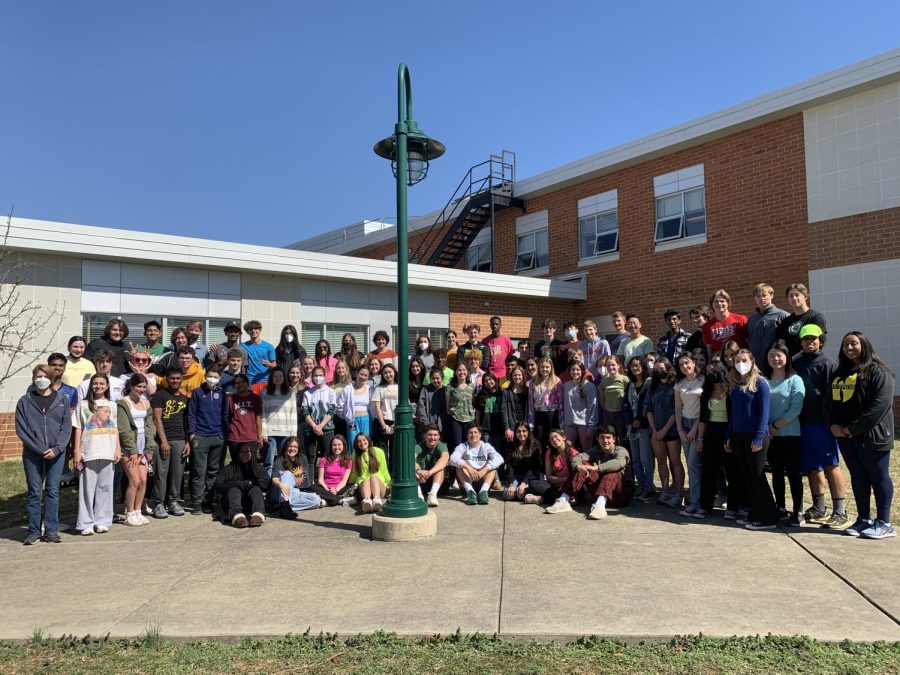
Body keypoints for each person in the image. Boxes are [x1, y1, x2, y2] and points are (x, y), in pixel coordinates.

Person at [825, 332, 895, 539]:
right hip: (845, 436)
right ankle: (863, 519)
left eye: (854, 343)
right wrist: (833, 426)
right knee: (858, 476)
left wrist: (851, 428)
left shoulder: (878, 371)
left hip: (872, 435)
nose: (849, 347)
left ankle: (884, 523)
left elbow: (879, 406)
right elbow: (827, 403)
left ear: (864, 345)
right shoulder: (839, 373)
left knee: (878, 476)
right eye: (845, 344)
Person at [794, 324, 849, 528]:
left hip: (822, 425)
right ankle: (819, 507)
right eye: (806, 339)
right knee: (811, 466)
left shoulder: (828, 364)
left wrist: (832, 422)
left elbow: (833, 398)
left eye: (813, 339)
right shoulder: (798, 364)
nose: (810, 342)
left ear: (821, 340)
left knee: (830, 465)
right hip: (803, 423)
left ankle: (840, 511)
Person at [16, 364, 73, 545]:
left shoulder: (62, 399)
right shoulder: (25, 401)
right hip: (33, 454)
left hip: (56, 453)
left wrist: (57, 449)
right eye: (38, 376)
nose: (41, 379)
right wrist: (40, 449)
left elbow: (66, 427)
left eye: (45, 376)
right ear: (33, 379)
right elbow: (22, 430)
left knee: (52, 491)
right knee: (34, 492)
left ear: (51, 378)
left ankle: (51, 530)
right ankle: (32, 532)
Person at [726, 349, 779, 531]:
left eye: (744, 360)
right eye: (737, 360)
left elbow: (764, 413)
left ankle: (768, 517)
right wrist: (728, 436)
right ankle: (755, 513)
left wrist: (758, 437)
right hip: (738, 436)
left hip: (756, 436)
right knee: (747, 476)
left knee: (757, 475)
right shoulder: (735, 383)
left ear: (752, 361)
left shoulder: (760, 383)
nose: (741, 363)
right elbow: (733, 413)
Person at [544, 425, 634, 519]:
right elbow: (578, 457)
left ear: (614, 439)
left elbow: (618, 463)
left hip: (622, 495)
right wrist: (578, 466)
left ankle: (600, 505)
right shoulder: (596, 450)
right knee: (582, 464)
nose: (605, 441)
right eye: (602, 437)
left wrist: (597, 468)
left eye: (608, 437)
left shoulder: (621, 450)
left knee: (613, 471)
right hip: (600, 493)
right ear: (597, 439)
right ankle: (564, 500)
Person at [765, 340, 806, 526]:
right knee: (776, 473)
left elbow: (796, 408)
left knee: (793, 474)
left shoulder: (794, 380)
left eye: (779, 355)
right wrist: (767, 428)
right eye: (771, 355)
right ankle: (780, 507)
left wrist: (775, 425)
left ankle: (798, 510)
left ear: (787, 357)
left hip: (790, 435)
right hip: (771, 437)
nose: (775, 359)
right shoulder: (763, 381)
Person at [697, 363, 743, 518]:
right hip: (710, 433)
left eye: (713, 371)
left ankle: (733, 507)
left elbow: (735, 416)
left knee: (731, 471)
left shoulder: (731, 392)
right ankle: (705, 505)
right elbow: (703, 417)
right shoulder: (706, 393)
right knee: (709, 471)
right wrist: (700, 438)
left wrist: (730, 437)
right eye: (708, 372)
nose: (711, 374)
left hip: (727, 432)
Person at [72, 392, 120, 536]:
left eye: (102, 384)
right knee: (87, 488)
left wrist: (117, 448)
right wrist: (77, 450)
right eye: (105, 412)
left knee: (105, 487)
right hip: (89, 452)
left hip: (108, 452)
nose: (107, 413)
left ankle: (102, 521)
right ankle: (86, 523)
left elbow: (116, 428)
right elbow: (78, 428)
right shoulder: (83, 405)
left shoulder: (112, 404)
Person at [187, 363, 229, 514]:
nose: (212, 379)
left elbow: (225, 415)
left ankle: (209, 500)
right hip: (201, 436)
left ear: (220, 378)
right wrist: (192, 433)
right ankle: (197, 502)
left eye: (215, 377)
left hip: (218, 436)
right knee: (199, 471)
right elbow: (191, 414)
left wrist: (224, 433)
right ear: (205, 376)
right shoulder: (197, 392)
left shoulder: (222, 394)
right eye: (210, 376)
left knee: (213, 471)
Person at [150, 367, 190, 518]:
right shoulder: (159, 396)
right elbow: (157, 419)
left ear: (182, 379)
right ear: (166, 379)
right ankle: (158, 503)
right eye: (172, 378)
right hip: (163, 440)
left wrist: (187, 442)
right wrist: (163, 442)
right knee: (161, 473)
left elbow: (187, 422)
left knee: (177, 474)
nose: (175, 381)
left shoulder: (186, 399)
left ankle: (173, 501)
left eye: (178, 378)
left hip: (180, 440)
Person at [117, 374, 155, 527]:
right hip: (129, 447)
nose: (141, 390)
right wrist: (132, 450)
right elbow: (123, 429)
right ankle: (130, 512)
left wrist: (149, 447)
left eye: (144, 387)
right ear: (131, 386)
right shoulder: (122, 403)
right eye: (138, 386)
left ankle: (138, 510)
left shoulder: (146, 403)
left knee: (144, 480)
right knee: (134, 480)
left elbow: (150, 426)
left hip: (143, 444)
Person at [645, 358, 683, 509]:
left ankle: (679, 493)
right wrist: (654, 429)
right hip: (656, 431)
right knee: (661, 462)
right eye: (656, 369)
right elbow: (648, 409)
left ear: (668, 368)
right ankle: (665, 490)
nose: (659, 371)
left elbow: (676, 410)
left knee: (675, 462)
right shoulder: (652, 386)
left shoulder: (675, 385)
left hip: (671, 430)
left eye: (662, 368)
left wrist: (665, 430)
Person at [675, 353, 705, 518]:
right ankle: (696, 501)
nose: (684, 367)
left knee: (694, 464)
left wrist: (695, 429)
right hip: (684, 425)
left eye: (687, 363)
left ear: (693, 363)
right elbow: (678, 408)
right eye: (681, 365)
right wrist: (680, 429)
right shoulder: (679, 384)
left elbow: (704, 407)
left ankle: (696, 503)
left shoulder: (703, 380)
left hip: (698, 424)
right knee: (691, 464)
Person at [215, 442, 269, 527]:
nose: (245, 454)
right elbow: (218, 485)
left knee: (255, 489)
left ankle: (258, 515)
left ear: (251, 453)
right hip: (231, 503)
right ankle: (237, 517)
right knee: (234, 489)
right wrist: (239, 484)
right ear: (237, 454)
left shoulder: (257, 467)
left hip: (250, 504)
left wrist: (251, 483)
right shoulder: (229, 468)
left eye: (247, 452)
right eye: (242, 452)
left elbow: (266, 483)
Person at [449, 422, 504, 505]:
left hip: (483, 481)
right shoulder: (462, 446)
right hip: (468, 481)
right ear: (467, 435)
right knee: (459, 466)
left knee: (492, 465)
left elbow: (500, 459)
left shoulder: (486, 446)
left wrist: (485, 469)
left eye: (475, 432)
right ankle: (471, 493)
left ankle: (483, 492)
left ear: (480, 434)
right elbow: (452, 459)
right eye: (470, 433)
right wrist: (467, 466)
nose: (473, 435)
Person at [523, 429, 579, 506]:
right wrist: (565, 480)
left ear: (563, 437)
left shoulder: (573, 453)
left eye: (556, 436)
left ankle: (540, 499)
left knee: (578, 493)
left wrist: (565, 482)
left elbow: (576, 479)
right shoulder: (550, 452)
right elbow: (549, 477)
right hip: (554, 485)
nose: (554, 440)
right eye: (551, 439)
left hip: (569, 486)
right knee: (533, 483)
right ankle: (563, 499)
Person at [624, 356, 654, 501]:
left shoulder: (649, 383)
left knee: (645, 459)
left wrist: (638, 421)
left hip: (644, 425)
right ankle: (640, 486)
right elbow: (626, 404)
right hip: (632, 427)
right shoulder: (629, 384)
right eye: (632, 366)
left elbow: (647, 404)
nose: (635, 368)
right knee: (635, 460)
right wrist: (631, 422)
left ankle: (649, 488)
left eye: (637, 365)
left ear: (643, 366)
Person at [267, 436, 320, 515]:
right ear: (286, 447)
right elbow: (274, 479)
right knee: (288, 474)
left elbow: (304, 484)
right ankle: (284, 504)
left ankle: (281, 506)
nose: (292, 449)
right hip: (278, 491)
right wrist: (280, 485)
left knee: (316, 500)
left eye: (295, 447)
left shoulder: (303, 459)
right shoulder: (280, 460)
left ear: (298, 449)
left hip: (294, 492)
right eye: (290, 446)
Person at [260, 368, 298, 476]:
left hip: (285, 432)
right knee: (269, 461)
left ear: (284, 378)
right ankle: (267, 484)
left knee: (285, 460)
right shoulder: (265, 392)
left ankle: (284, 482)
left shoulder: (290, 393)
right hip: (270, 432)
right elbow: (262, 413)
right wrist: (263, 432)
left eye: (280, 376)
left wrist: (293, 434)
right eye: (275, 376)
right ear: (271, 378)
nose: (278, 378)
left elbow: (293, 414)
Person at [777, 283, 827, 358]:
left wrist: (794, 358)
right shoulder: (786, 321)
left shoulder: (816, 317)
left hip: (810, 362)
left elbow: (820, 342)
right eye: (791, 296)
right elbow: (782, 344)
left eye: (797, 295)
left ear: (806, 297)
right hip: (791, 366)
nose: (794, 298)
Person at [302, 366, 337, 470]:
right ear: (312, 377)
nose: (318, 377)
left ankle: (328, 480)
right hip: (311, 429)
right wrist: (315, 427)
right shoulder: (307, 393)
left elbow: (332, 410)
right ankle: (310, 482)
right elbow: (305, 412)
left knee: (328, 455)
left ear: (325, 376)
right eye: (315, 375)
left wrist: (321, 426)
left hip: (327, 428)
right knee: (311, 456)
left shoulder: (331, 392)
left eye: (320, 375)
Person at [748, 283, 789, 366]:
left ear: (771, 295)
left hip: (775, 363)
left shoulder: (783, 316)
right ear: (755, 298)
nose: (761, 298)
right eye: (758, 296)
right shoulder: (752, 319)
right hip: (756, 364)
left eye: (764, 295)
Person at [562, 361, 599, 451]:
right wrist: (563, 423)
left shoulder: (589, 386)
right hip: (569, 424)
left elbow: (593, 406)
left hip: (584, 424)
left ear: (582, 371)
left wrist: (591, 426)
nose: (575, 372)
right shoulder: (566, 385)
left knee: (586, 451)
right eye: (573, 370)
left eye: (578, 370)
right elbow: (563, 405)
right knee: (568, 451)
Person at [226, 374, 263, 463]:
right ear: (234, 385)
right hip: (235, 437)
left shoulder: (256, 398)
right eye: (237, 383)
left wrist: (259, 437)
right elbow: (227, 418)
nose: (240, 384)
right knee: (236, 464)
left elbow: (258, 418)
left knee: (251, 464)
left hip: (251, 437)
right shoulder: (230, 399)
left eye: (243, 382)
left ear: (247, 383)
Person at [310, 435, 356, 506]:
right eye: (334, 445)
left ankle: (328, 500)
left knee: (355, 485)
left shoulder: (348, 461)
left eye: (339, 445)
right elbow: (320, 480)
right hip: (326, 488)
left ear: (343, 446)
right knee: (311, 486)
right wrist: (328, 490)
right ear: (331, 447)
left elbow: (344, 481)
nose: (337, 447)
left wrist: (336, 490)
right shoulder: (324, 460)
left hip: (340, 489)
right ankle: (340, 500)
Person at [350, 432, 391, 512]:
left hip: (379, 487)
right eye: (359, 441)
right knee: (365, 480)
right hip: (364, 489)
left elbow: (384, 470)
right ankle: (367, 502)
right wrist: (349, 486)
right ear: (356, 443)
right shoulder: (355, 454)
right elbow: (354, 473)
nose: (362, 443)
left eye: (364, 440)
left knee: (373, 477)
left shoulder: (379, 451)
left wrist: (389, 484)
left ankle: (377, 500)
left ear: (368, 440)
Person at [528, 357, 563, 450]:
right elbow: (531, 403)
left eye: (547, 367)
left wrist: (561, 420)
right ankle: (542, 463)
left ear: (551, 368)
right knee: (540, 442)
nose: (545, 369)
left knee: (554, 441)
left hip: (553, 414)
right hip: (539, 415)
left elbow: (561, 403)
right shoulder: (533, 382)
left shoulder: (557, 381)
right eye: (542, 367)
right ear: (539, 368)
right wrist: (531, 421)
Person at [502, 421, 542, 501]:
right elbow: (509, 466)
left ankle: (530, 495)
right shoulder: (511, 445)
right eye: (518, 431)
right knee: (507, 495)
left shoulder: (535, 445)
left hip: (529, 476)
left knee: (521, 494)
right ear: (515, 433)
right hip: (515, 475)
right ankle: (524, 495)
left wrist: (524, 483)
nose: (521, 434)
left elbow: (534, 467)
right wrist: (511, 484)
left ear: (528, 432)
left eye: (524, 431)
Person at [702, 289, 749, 357]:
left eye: (722, 301)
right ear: (712, 304)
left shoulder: (741, 319)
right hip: (720, 364)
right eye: (716, 301)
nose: (719, 304)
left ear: (728, 303)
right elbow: (710, 351)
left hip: (740, 360)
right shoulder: (707, 326)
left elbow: (749, 343)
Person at [414, 425, 450, 506]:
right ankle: (419, 496)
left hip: (438, 485)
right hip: (421, 481)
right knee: (412, 467)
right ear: (425, 436)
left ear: (439, 436)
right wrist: (419, 471)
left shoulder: (441, 445)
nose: (432, 437)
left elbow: (445, 458)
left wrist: (430, 472)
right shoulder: (419, 446)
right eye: (430, 435)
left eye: (435, 435)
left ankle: (432, 495)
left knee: (441, 468)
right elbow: (410, 458)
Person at [371, 363, 399, 462]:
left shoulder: (400, 387)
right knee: (381, 451)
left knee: (395, 450)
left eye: (389, 372)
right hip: (382, 421)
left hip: (396, 421)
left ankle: (393, 473)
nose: (388, 375)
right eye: (385, 373)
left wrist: (396, 424)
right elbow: (377, 408)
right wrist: (383, 425)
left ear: (394, 372)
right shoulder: (379, 388)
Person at [339, 364, 371, 450]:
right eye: (361, 374)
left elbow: (372, 405)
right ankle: (353, 463)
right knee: (354, 444)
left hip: (366, 419)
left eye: (365, 375)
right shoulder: (348, 389)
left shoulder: (369, 389)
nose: (363, 377)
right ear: (357, 373)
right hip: (353, 421)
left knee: (365, 444)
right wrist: (346, 417)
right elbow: (339, 405)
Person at [445, 362, 476, 450]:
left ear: (467, 372)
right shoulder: (450, 387)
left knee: (469, 443)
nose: (461, 372)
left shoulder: (472, 387)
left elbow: (473, 403)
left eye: (464, 370)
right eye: (459, 370)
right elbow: (447, 404)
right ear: (455, 372)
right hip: (455, 419)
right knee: (457, 444)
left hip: (469, 419)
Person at [598, 357, 629, 444]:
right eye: (608, 365)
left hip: (621, 415)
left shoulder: (624, 379)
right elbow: (602, 398)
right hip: (608, 415)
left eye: (613, 365)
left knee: (623, 439)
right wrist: (606, 410)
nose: (611, 367)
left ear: (618, 365)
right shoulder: (604, 382)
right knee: (609, 439)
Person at [242, 320, 277, 395]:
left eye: (256, 328)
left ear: (260, 330)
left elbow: (274, 365)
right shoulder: (243, 346)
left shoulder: (269, 346)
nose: (253, 331)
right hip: (249, 382)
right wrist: (215, 345)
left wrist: (269, 365)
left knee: (264, 405)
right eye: (251, 329)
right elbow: (231, 347)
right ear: (247, 331)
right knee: (252, 405)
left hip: (265, 381)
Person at [475, 372, 505, 455]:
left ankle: (498, 468)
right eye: (486, 381)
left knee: (498, 451)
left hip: (498, 427)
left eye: (490, 379)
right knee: (487, 451)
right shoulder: (481, 395)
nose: (488, 382)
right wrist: (478, 425)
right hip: (486, 428)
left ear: (495, 380)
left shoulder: (501, 393)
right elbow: (478, 412)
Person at [416, 367, 447, 438]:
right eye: (433, 378)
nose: (435, 380)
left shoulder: (445, 390)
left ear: (442, 378)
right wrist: (427, 425)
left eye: (437, 378)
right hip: (426, 426)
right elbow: (421, 407)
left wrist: (440, 426)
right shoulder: (425, 390)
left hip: (442, 427)